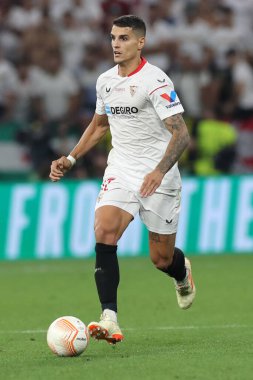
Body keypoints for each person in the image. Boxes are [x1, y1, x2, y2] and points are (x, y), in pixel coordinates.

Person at [49, 15, 196, 345]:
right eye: (113, 38)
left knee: (160, 259)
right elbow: (100, 125)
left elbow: (181, 134)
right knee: (105, 229)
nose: (116, 44)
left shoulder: (156, 81)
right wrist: (71, 158)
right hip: (121, 170)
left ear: (140, 43)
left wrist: (159, 171)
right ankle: (109, 317)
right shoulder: (105, 82)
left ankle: (180, 271)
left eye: (124, 38)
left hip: (159, 176)